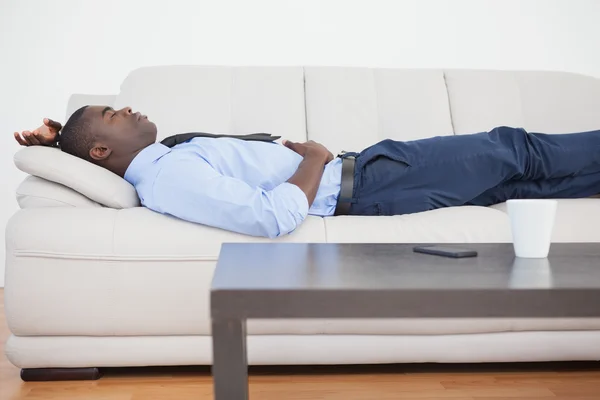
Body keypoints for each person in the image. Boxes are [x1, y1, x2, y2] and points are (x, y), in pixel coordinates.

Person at [14, 106, 600, 238]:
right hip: (367, 181)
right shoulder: (167, 179)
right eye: (113, 115)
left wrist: (59, 139)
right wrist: (316, 157)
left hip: (370, 172)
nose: (129, 111)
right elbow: (271, 218)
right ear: (99, 152)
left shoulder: (165, 159)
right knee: (515, 150)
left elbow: (80, 144)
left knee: (521, 181)